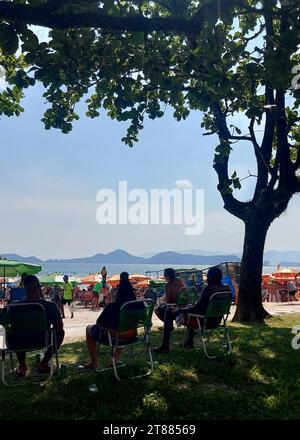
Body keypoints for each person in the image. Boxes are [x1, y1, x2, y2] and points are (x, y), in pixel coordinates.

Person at [0, 275, 65, 377]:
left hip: (16, 343)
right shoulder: (49, 306)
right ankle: (43, 363)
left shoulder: (12, 307)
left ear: (24, 289)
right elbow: (59, 328)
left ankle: (22, 366)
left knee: (17, 333)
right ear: (39, 288)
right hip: (41, 340)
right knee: (60, 333)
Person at [85, 272, 141, 369]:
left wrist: (111, 301)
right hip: (131, 335)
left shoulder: (113, 307)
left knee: (89, 328)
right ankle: (114, 361)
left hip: (116, 337)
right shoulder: (137, 305)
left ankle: (94, 363)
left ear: (117, 293)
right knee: (122, 327)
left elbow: (99, 323)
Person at [174, 267, 232, 350]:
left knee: (188, 312)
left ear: (210, 277)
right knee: (191, 310)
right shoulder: (227, 288)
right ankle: (189, 341)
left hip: (204, 322)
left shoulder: (209, 288)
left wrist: (180, 310)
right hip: (217, 320)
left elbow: (196, 308)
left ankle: (187, 342)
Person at [152, 268, 186, 354]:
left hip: (176, 309)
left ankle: (165, 344)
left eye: (164, 275)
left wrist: (164, 303)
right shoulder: (180, 281)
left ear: (167, 276)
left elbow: (169, 302)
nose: (164, 277)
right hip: (185, 307)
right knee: (165, 308)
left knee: (159, 309)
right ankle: (189, 340)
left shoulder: (168, 285)